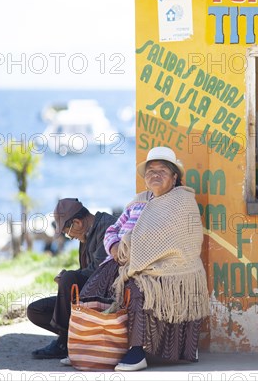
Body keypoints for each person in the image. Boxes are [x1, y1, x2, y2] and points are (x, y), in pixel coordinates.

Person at [102, 146, 210, 372]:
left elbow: (170, 240)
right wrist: (114, 247)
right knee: (89, 285)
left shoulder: (182, 201)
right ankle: (88, 345)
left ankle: (137, 352)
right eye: (150, 171)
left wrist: (128, 247)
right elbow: (113, 228)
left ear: (174, 177)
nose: (155, 175)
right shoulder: (140, 200)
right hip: (124, 260)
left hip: (168, 268)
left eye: (162, 170)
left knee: (138, 288)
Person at [28, 199, 117, 359]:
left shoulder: (108, 227)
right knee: (35, 310)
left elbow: (100, 272)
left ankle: (64, 341)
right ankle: (77, 338)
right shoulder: (86, 232)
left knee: (68, 277)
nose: (69, 236)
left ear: (77, 222)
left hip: (106, 300)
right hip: (86, 298)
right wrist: (68, 278)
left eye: (67, 231)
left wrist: (68, 277)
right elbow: (87, 271)